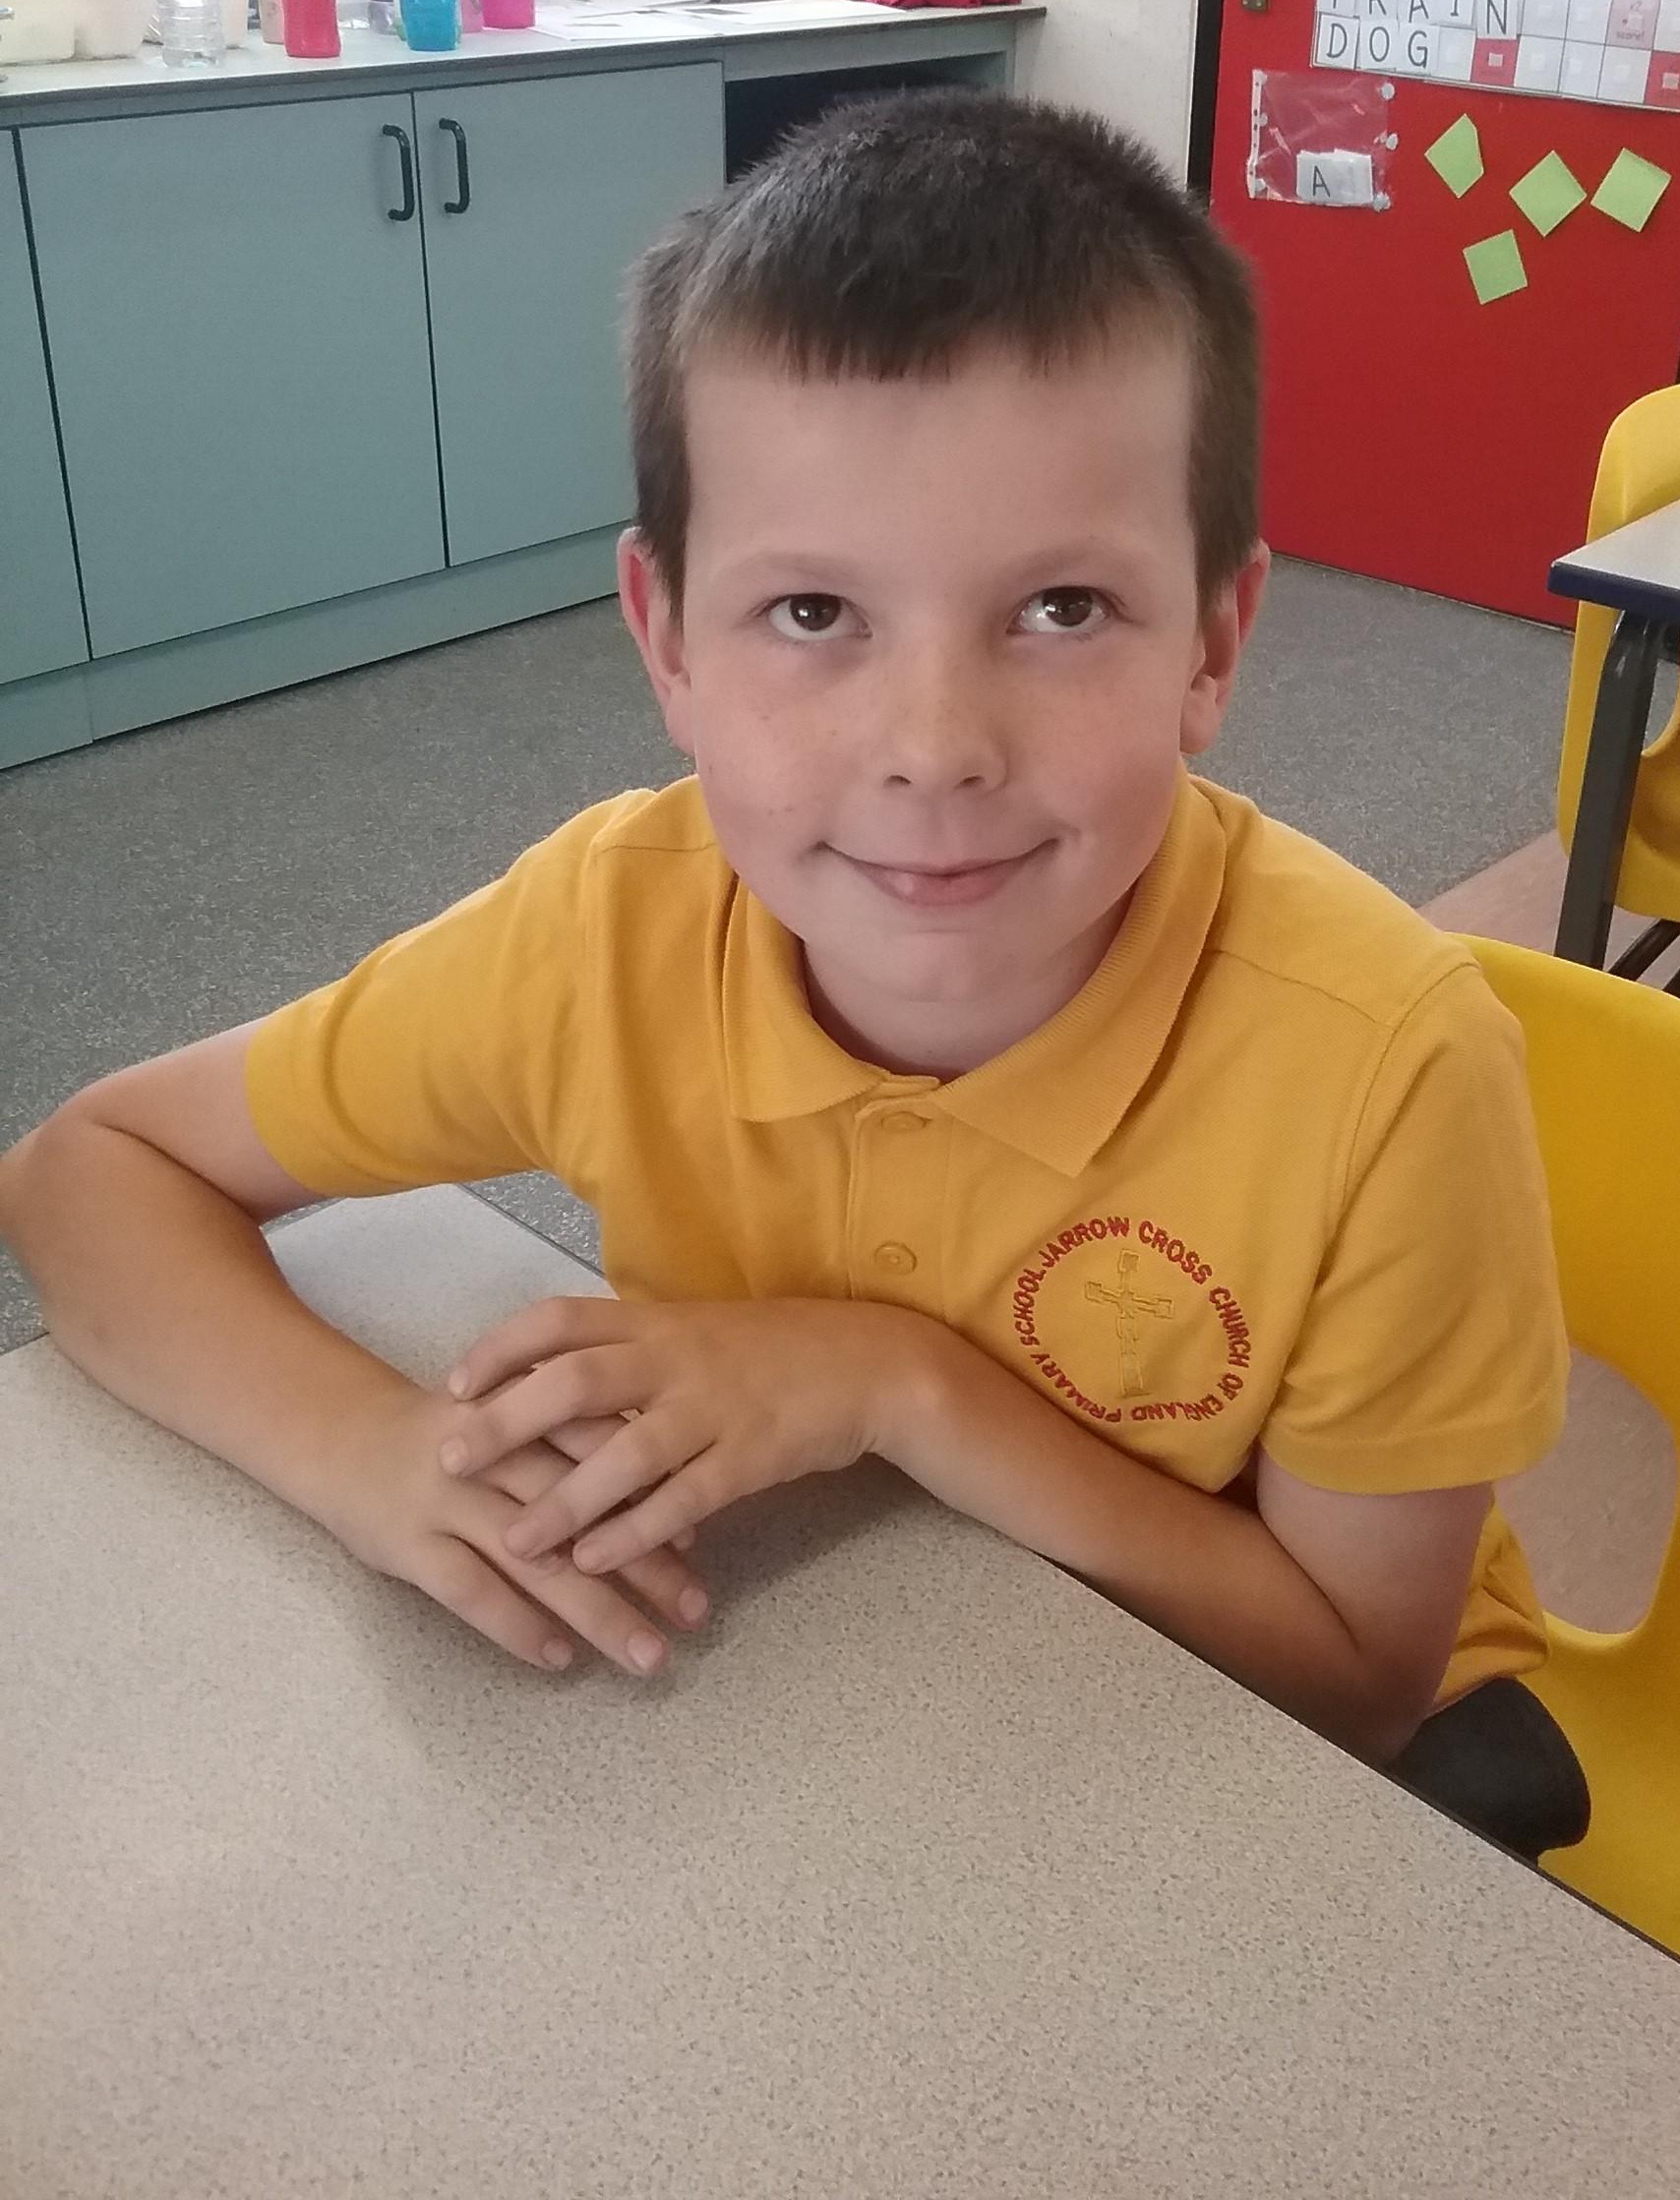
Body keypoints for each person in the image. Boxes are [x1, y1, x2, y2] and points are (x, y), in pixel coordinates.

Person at [0, 92, 1586, 1861]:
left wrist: (893, 1385)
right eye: (815, 614)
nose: (933, 747)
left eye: (1060, 608)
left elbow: (1361, 1685)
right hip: (851, 1711)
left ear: (1210, 644)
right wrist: (375, 1459)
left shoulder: (1389, 1070)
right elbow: (87, 1169)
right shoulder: (605, 936)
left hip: (1295, 1784)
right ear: (666, 639)